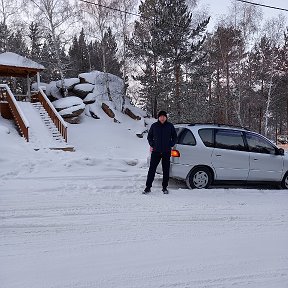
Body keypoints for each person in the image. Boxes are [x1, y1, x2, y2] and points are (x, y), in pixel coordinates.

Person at [143, 110, 177, 194]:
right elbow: (149, 137)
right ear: (158, 117)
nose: (162, 118)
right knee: (152, 169)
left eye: (164, 116)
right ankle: (148, 187)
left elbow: (175, 137)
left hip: (166, 151)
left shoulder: (170, 126)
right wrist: (152, 144)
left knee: (166, 170)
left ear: (166, 117)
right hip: (156, 152)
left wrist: (171, 144)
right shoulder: (154, 126)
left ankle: (164, 187)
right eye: (161, 116)